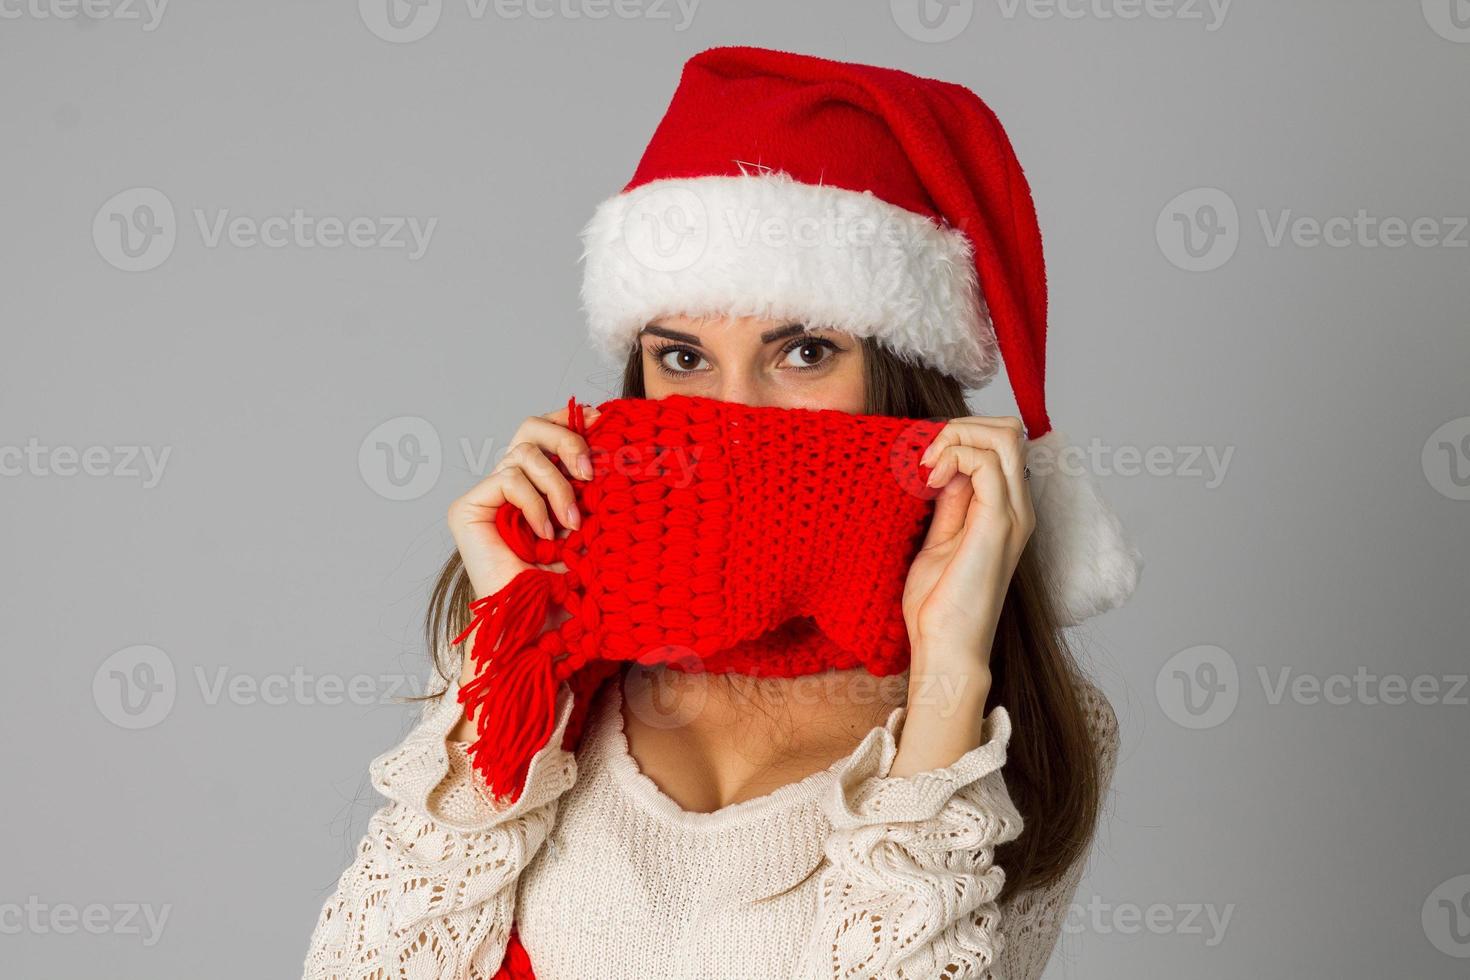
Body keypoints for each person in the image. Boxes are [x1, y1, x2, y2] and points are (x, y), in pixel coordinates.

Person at [302, 46, 1140, 979]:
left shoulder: (1020, 718)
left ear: (901, 377)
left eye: (806, 352)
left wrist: (947, 669)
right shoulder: (547, 653)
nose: (731, 415)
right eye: (685, 359)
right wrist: (516, 651)